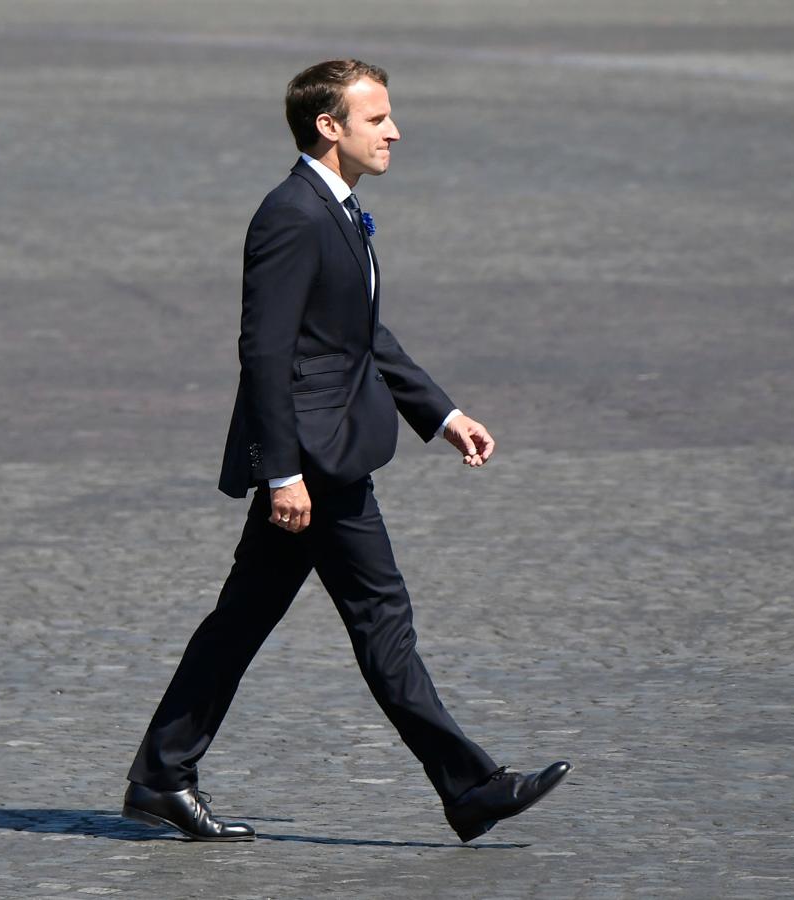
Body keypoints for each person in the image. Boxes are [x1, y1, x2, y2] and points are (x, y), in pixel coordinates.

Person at [121, 59, 570, 844]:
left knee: (241, 623)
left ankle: (161, 775)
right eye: (378, 118)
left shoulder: (339, 209)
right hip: (318, 466)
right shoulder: (292, 214)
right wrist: (283, 471)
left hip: (323, 455)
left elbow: (361, 337)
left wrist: (442, 412)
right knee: (380, 619)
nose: (394, 130)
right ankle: (470, 789)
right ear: (330, 127)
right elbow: (263, 353)